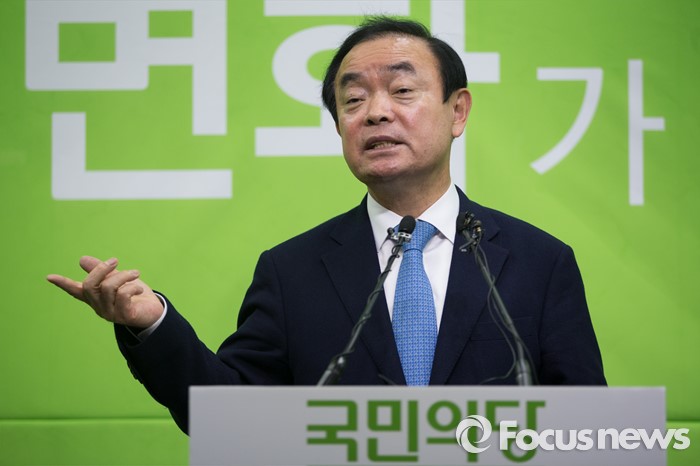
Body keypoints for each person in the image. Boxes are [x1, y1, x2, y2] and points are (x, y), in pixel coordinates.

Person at [47, 16, 606, 434]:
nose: (376, 112)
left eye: (402, 91)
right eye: (353, 99)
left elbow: (589, 430)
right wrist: (153, 325)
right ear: (339, 125)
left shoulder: (538, 261)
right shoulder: (292, 271)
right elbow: (228, 417)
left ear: (457, 111)